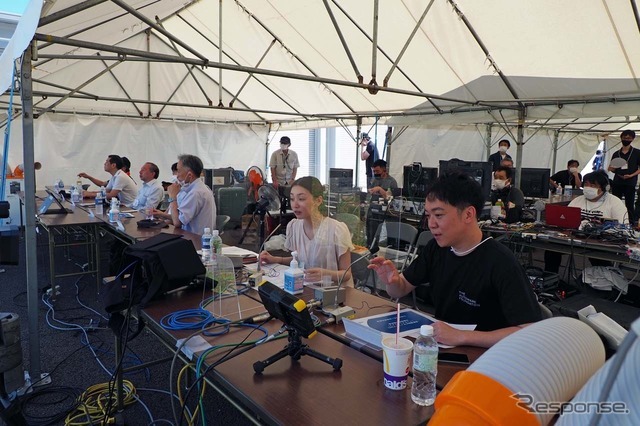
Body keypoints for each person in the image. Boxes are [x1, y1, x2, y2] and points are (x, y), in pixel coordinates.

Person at [368, 171, 542, 348]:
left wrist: (463, 336)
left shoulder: (501, 262)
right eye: (428, 215)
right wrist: (392, 281)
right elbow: (400, 290)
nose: (431, 224)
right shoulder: (436, 249)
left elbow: (529, 332)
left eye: (438, 215)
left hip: (486, 356)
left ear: (468, 215)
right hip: (443, 348)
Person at [259, 176, 354, 286]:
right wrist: (275, 259)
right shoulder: (294, 227)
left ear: (318, 201)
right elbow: (300, 260)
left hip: (336, 292)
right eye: (292, 199)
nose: (295, 205)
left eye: (301, 199)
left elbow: (347, 274)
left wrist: (325, 274)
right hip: (308, 288)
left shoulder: (336, 229)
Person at [544, 171, 628, 274]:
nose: (588, 188)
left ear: (604, 187)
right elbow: (566, 219)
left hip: (601, 243)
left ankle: (604, 281)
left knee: (598, 259)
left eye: (593, 185)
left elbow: (623, 227)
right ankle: (550, 278)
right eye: (586, 184)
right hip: (575, 238)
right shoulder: (578, 200)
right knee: (552, 250)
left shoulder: (615, 202)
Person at [152, 154, 216, 235]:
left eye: (178, 171)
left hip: (195, 239)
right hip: (189, 236)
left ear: (189, 175)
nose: (177, 176)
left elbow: (177, 222)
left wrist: (173, 197)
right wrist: (161, 215)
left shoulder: (196, 193)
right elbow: (180, 217)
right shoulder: (195, 188)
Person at [608, 130, 640, 223]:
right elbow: (613, 168)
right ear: (621, 138)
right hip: (617, 181)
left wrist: (631, 175)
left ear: (632, 139)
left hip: (630, 182)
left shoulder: (637, 152)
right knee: (615, 202)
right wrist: (611, 168)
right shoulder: (616, 153)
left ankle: (630, 222)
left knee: (629, 203)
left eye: (629, 138)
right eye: (624, 138)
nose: (626, 139)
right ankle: (615, 221)